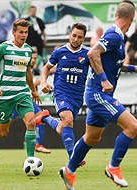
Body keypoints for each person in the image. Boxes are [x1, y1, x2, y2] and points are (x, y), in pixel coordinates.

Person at [58, 1, 137, 189]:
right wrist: (103, 80)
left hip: (96, 94)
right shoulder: (115, 35)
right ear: (132, 20)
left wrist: (134, 68)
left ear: (116, 14)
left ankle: (69, 170)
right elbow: (93, 53)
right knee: (132, 127)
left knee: (92, 138)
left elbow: (113, 64)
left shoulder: (117, 37)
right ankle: (113, 167)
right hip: (98, 94)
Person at [0, 19, 41, 165]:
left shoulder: (28, 50)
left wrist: (33, 90)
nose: (24, 35)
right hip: (4, 94)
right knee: (3, 132)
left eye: (26, 32)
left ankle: (30, 160)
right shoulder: (3, 48)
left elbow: (28, 72)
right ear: (14, 32)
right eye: (21, 32)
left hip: (22, 92)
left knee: (31, 122)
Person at [35, 23, 90, 160]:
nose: (76, 39)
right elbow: (46, 68)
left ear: (84, 39)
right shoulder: (59, 52)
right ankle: (73, 158)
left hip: (77, 96)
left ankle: (45, 117)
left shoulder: (88, 53)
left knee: (63, 127)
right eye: (74, 36)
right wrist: (44, 82)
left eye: (79, 37)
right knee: (68, 119)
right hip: (61, 92)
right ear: (70, 34)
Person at [0, 50, 51, 154]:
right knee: (4, 129)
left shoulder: (31, 69)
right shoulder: (19, 64)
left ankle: (37, 144)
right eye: (32, 58)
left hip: (25, 98)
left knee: (39, 118)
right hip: (13, 98)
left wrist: (34, 89)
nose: (33, 60)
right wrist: (35, 84)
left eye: (35, 58)